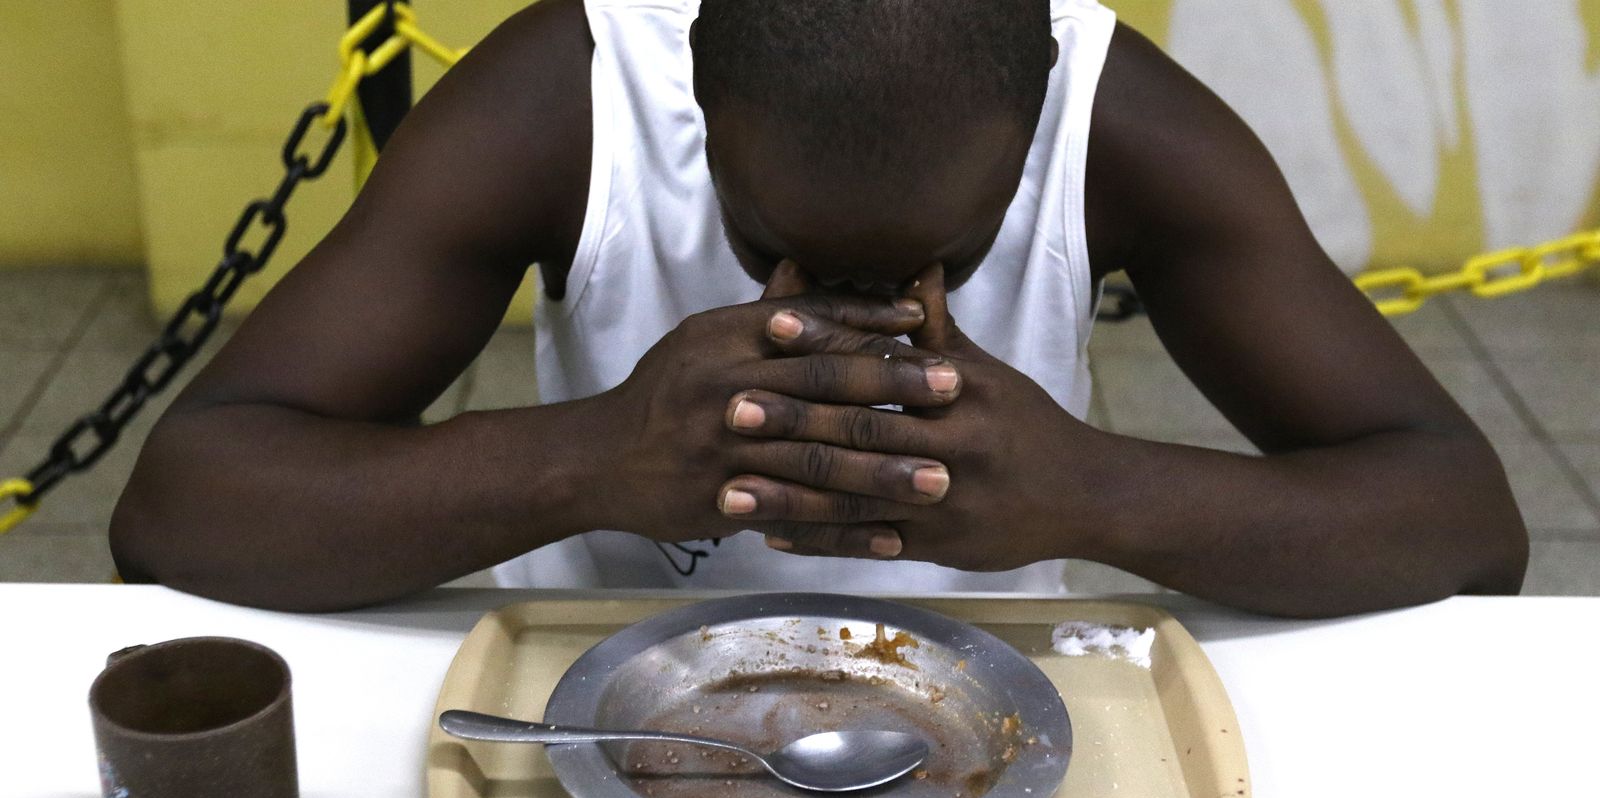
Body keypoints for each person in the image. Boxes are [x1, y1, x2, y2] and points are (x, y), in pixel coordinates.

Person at [109, 0, 1528, 617]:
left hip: (998, 701)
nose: (859, 314)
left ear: (1038, 124)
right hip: (591, 695)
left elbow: (1464, 523)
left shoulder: (1120, 118)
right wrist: (590, 462)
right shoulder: (568, 94)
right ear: (695, 113)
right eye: (771, 246)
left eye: (939, 260)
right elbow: (182, 506)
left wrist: (1097, 494)